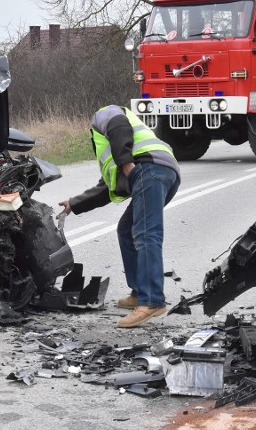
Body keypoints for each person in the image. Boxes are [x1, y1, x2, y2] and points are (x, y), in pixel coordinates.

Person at [58, 105, 180, 328]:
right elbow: (107, 188)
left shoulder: (103, 115)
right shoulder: (110, 145)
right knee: (126, 229)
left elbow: (117, 124)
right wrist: (74, 204)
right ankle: (139, 292)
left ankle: (152, 300)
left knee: (146, 234)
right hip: (159, 170)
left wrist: (127, 166)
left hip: (149, 169)